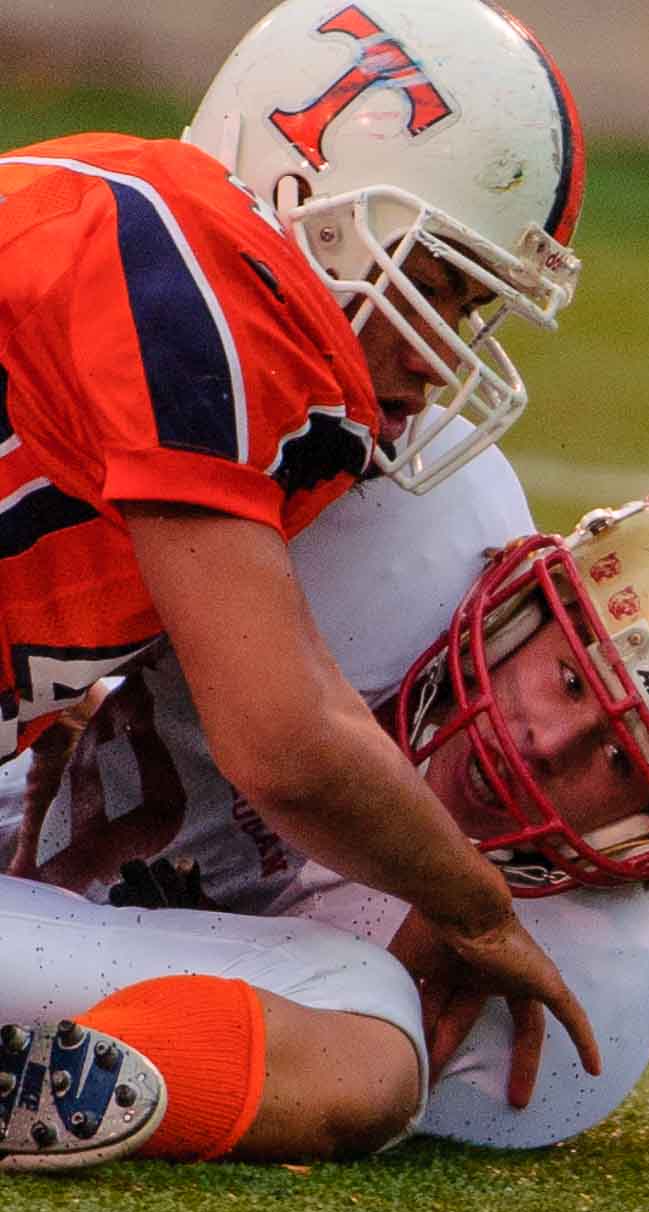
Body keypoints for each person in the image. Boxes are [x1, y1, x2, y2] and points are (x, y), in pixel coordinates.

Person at [0, 0, 597, 1088]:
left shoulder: (107, 196)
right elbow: (284, 742)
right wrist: (480, 908)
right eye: (432, 282)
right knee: (361, 1036)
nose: (436, 358)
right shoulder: (207, 293)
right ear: (308, 198)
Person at [1, 467, 649, 1167]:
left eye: (621, 764)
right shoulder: (390, 532)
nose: (548, 744)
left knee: (371, 1032)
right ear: (522, 596)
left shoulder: (580, 987)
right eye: (569, 678)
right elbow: (288, 751)